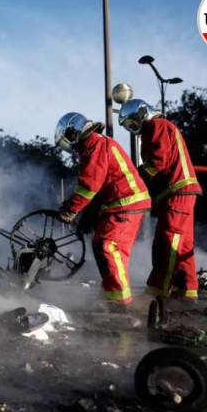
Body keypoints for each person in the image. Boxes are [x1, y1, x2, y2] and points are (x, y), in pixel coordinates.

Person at [55, 112, 151, 310]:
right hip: (120, 204)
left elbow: (89, 187)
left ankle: (120, 303)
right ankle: (110, 293)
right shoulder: (96, 144)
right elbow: (98, 191)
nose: (72, 149)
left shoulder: (94, 144)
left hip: (127, 203)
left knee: (109, 246)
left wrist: (70, 210)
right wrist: (86, 219)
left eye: (69, 143)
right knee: (100, 244)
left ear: (75, 133)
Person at [118, 99, 201, 301]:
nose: (134, 128)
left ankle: (158, 292)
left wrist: (135, 177)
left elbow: (158, 162)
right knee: (182, 246)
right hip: (180, 192)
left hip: (177, 192)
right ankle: (188, 292)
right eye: (130, 126)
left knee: (167, 241)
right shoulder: (163, 127)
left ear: (142, 114)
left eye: (133, 123)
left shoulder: (157, 125)